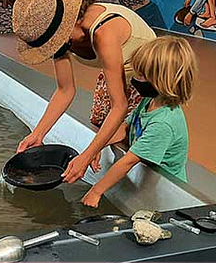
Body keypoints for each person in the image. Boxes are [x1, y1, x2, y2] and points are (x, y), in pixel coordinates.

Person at [12, 0, 156, 184]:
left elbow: (120, 105)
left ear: (64, 28)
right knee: (100, 121)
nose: (50, 49)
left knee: (136, 134)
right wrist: (37, 133)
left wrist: (87, 154)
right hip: (113, 69)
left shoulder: (103, 33)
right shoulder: (59, 38)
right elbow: (65, 90)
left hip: (148, 76)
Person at [81, 37, 197, 207]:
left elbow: (129, 161)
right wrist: (98, 147)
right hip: (146, 171)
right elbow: (125, 128)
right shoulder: (149, 101)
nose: (135, 78)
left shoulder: (163, 123)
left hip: (164, 187)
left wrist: (96, 191)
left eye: (141, 75)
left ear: (160, 81)